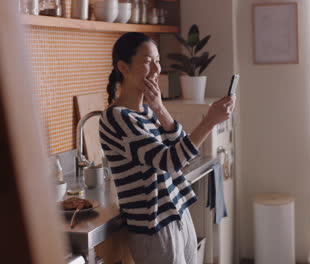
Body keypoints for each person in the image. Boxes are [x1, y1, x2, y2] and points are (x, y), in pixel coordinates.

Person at [98, 32, 235, 264]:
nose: (156, 69)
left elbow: (184, 151)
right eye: (148, 61)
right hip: (155, 228)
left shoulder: (147, 112)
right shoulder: (117, 117)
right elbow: (170, 161)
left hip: (178, 215)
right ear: (123, 67)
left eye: (158, 61)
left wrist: (160, 109)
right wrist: (209, 121)